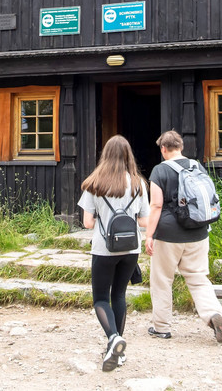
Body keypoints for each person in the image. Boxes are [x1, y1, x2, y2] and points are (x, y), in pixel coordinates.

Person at [144, 130, 222, 342]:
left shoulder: (159, 170)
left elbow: (155, 205)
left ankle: (161, 327)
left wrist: (149, 235)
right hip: (198, 232)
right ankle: (213, 314)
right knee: (198, 278)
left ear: (163, 149)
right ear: (181, 147)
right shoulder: (196, 166)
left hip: (168, 235)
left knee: (162, 280)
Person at [79, 134, 150, 372]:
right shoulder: (139, 183)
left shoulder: (95, 183)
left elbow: (87, 223)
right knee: (119, 294)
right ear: (128, 155)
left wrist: (104, 215)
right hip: (131, 248)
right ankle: (118, 353)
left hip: (103, 248)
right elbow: (144, 220)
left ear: (105, 155)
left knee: (101, 298)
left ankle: (113, 339)